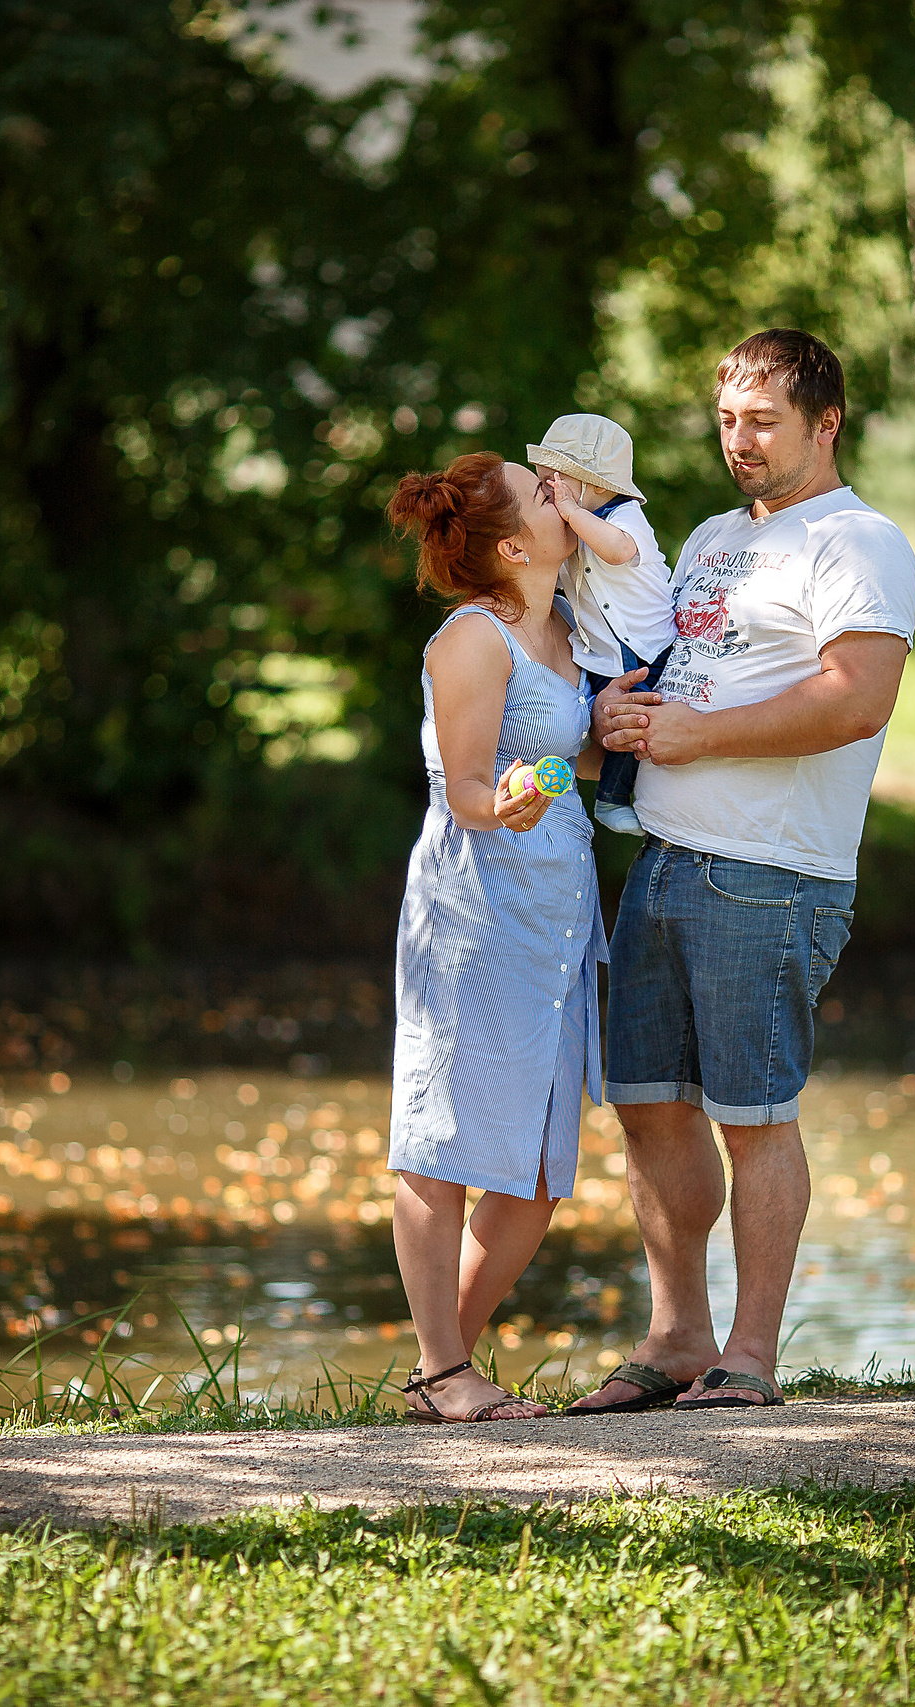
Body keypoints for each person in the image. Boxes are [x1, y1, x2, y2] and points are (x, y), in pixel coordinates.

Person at [567, 329, 915, 1414]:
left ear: (826, 423)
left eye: (763, 421)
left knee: (752, 1115)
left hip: (769, 875)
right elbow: (665, 662)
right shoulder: (717, 534)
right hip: (664, 862)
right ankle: (678, 1340)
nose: (740, 441)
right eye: (727, 419)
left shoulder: (859, 542)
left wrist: (697, 738)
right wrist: (613, 714)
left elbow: (855, 699)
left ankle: (749, 1358)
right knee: (647, 1106)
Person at [382, 450, 605, 1424]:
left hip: (556, 911)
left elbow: (567, 753)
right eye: (543, 489)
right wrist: (502, 801)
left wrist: (616, 730)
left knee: (541, 1170)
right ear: (514, 541)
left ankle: (441, 1369)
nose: (564, 492)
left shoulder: (563, 624)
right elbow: (469, 788)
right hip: (475, 908)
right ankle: (443, 1373)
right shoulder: (471, 639)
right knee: (440, 1145)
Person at [525, 413, 674, 835]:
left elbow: (616, 551)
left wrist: (571, 513)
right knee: (592, 716)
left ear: (592, 483)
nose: (551, 498)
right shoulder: (576, 527)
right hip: (602, 650)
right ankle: (565, 777)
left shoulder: (624, 518)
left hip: (646, 645)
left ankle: (611, 799)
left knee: (634, 716)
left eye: (555, 486)